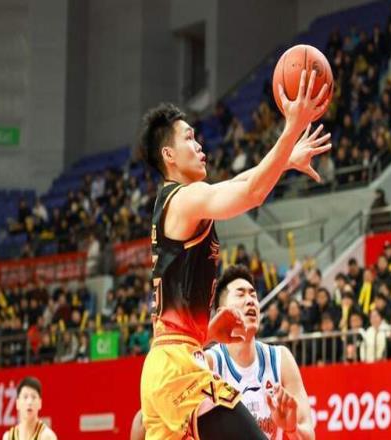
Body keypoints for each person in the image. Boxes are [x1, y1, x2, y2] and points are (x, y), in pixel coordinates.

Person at [138, 71, 331, 439]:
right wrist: (291, 127)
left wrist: (286, 159)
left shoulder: (182, 202)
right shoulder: (185, 197)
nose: (199, 145)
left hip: (168, 366)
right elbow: (252, 193)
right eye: (189, 138)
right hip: (178, 370)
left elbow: (240, 182)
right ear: (168, 154)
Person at [132, 266, 315, 439]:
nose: (250, 300)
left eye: (253, 295)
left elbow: (308, 435)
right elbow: (144, 419)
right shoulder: (208, 362)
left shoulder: (281, 359)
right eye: (241, 294)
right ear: (221, 312)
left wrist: (292, 429)